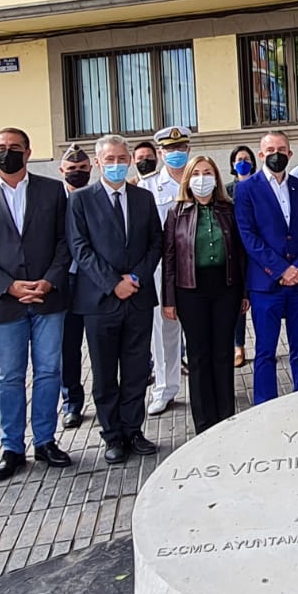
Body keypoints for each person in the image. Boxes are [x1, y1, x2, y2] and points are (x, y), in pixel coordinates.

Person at [0, 127, 73, 482]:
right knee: (10, 377)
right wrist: (7, 286)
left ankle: (45, 440)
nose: (7, 152)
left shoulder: (52, 191)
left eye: (14, 147)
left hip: (48, 298)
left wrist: (49, 280)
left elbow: (65, 241)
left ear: (28, 151)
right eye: (0, 148)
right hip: (4, 303)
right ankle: (12, 448)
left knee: (49, 372)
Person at [66, 135, 162, 465]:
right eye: (110, 159)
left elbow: (155, 244)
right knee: (105, 372)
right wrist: (112, 283)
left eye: (123, 158)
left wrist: (135, 278)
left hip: (137, 297)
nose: (117, 164)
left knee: (136, 370)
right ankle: (112, 435)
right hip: (99, 301)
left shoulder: (143, 198)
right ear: (97, 163)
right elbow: (80, 248)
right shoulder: (80, 201)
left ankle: (133, 429)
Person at [161, 156, 246, 434]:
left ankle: (226, 417)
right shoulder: (177, 212)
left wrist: (244, 292)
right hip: (190, 290)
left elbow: (241, 252)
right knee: (198, 355)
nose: (201, 177)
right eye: (196, 173)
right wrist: (169, 299)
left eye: (207, 172)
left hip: (226, 287)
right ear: (187, 179)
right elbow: (170, 257)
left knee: (222, 352)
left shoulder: (228, 209)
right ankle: (204, 423)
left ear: (216, 177)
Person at [233, 130, 298, 403]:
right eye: (270, 150)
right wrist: (281, 269)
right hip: (266, 283)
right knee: (266, 350)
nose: (276, 154)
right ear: (261, 155)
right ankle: (265, 404)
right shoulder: (246, 189)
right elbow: (248, 236)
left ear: (290, 154)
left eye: (281, 149)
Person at [139, 126, 191, 416]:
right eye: (169, 150)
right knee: (164, 333)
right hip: (163, 270)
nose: (175, 154)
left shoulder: (200, 179)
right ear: (160, 153)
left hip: (198, 268)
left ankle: (206, 387)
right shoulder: (147, 187)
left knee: (201, 331)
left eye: (180, 149)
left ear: (188, 150)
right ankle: (164, 389)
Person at [58, 146, 93, 428]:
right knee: (67, 347)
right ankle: (72, 403)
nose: (77, 173)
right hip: (64, 282)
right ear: (62, 171)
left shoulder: (96, 198)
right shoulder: (52, 200)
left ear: (91, 169)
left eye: (82, 169)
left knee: (101, 346)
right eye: (71, 170)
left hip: (94, 280)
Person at [226, 145, 257, 369]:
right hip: (235, 253)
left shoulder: (260, 187)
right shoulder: (226, 190)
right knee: (238, 303)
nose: (243, 162)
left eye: (246, 158)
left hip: (256, 252)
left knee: (260, 302)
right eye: (239, 159)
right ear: (232, 164)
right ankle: (239, 346)